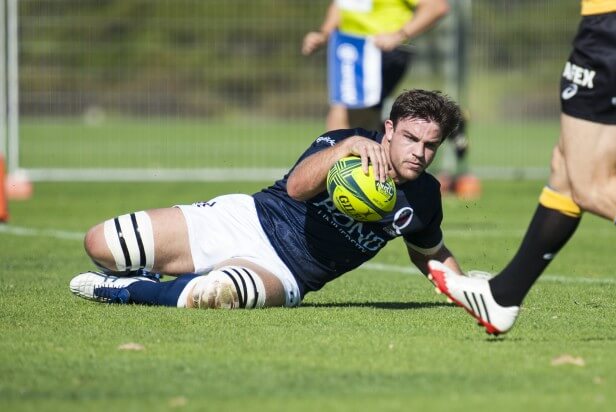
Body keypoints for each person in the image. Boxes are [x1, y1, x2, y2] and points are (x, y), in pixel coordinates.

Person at [70, 89, 467, 309]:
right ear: (390, 129)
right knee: (101, 243)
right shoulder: (343, 144)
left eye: (431, 146)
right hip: (245, 218)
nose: (419, 152)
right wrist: (345, 146)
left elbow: (428, 251)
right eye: (411, 138)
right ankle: (152, 274)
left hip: (286, 273)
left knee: (212, 297)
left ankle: (125, 290)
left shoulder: (425, 196)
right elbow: (296, 187)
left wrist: (468, 292)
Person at [427, 0, 616, 335]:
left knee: (592, 186)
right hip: (605, 26)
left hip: (610, 26)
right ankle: (503, 297)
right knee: (565, 171)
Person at [301, 0, 450, 132]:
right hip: (350, 51)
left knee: (346, 120)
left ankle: (352, 160)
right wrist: (324, 34)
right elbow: (342, 5)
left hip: (380, 52)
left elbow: (436, 7)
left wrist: (399, 35)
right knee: (352, 119)